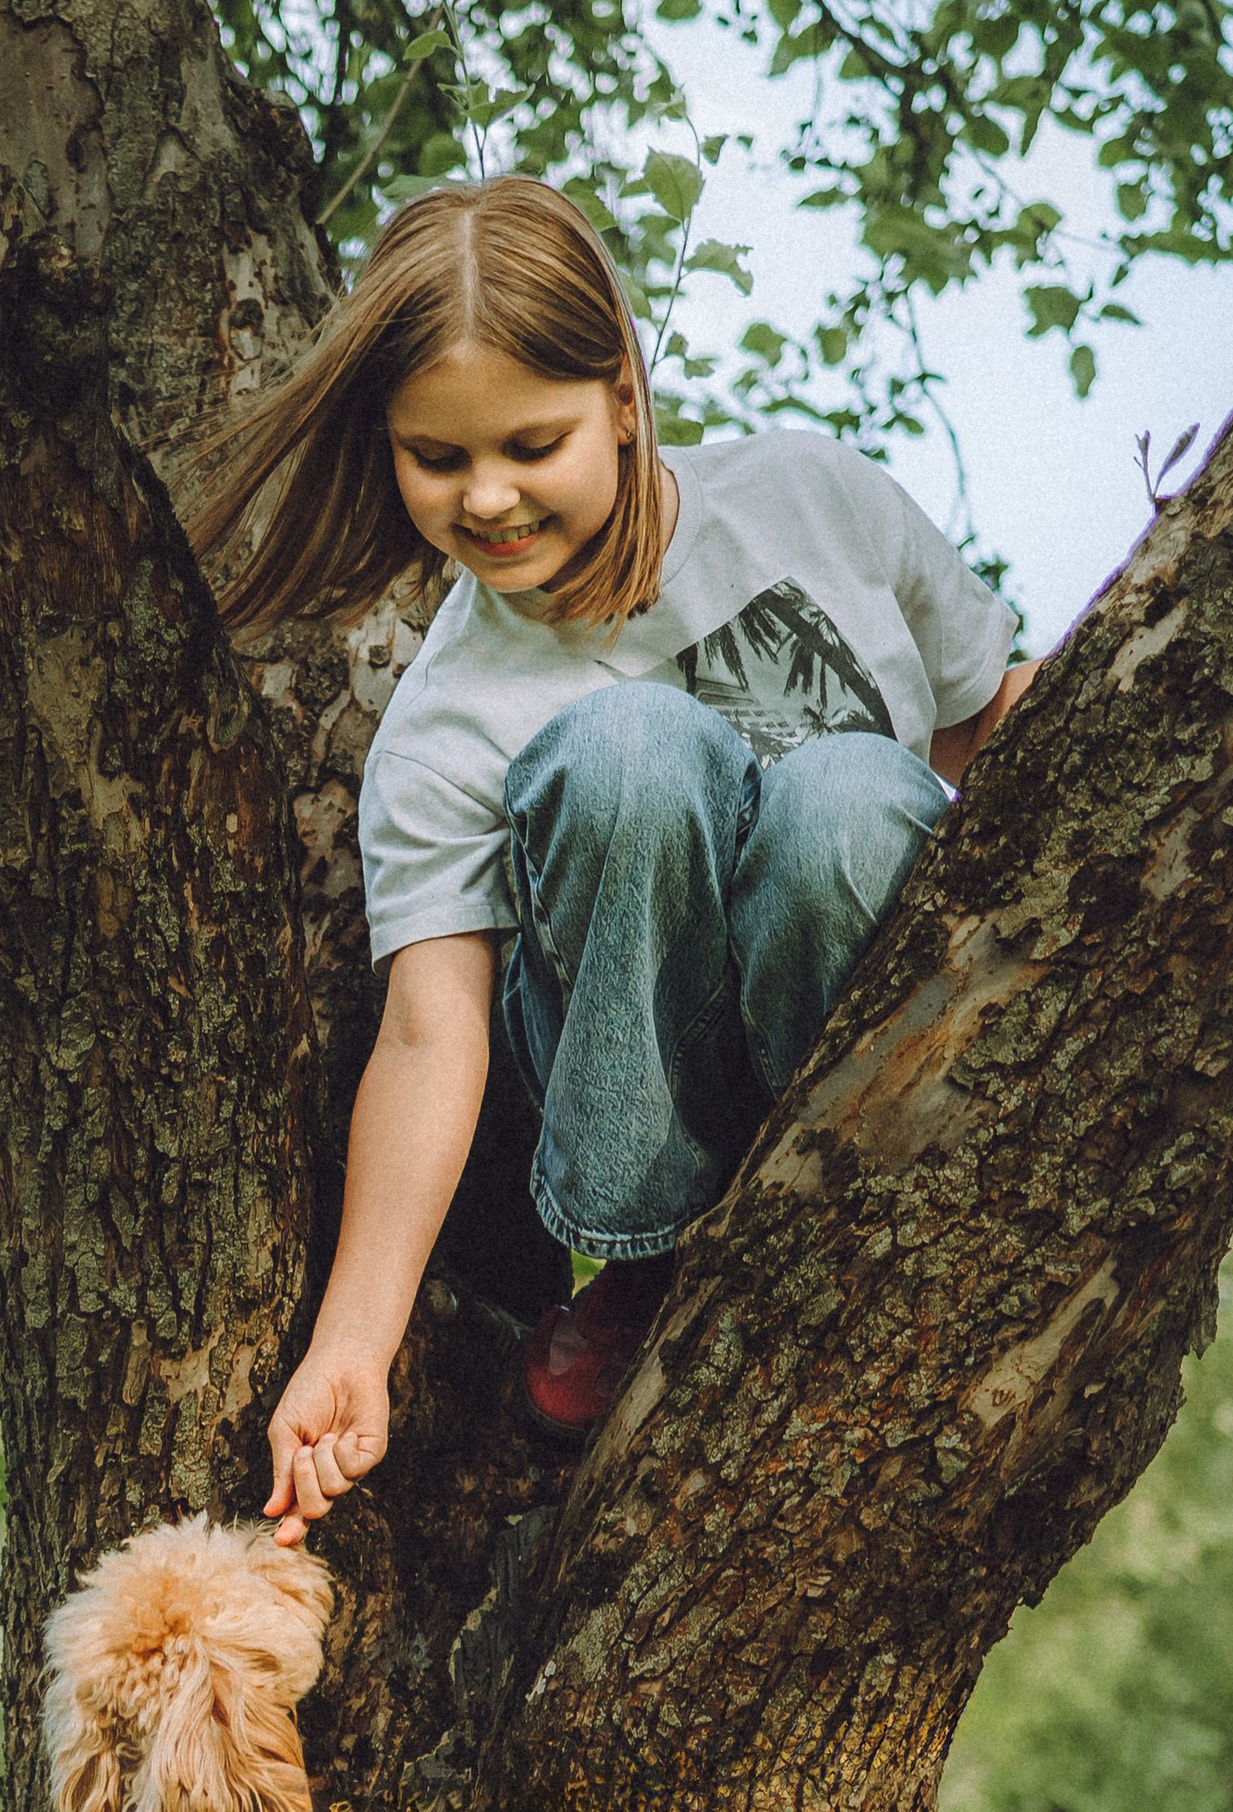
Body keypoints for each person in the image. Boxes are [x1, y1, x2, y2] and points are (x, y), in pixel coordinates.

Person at [181, 175, 1042, 1541]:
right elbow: (429, 1033)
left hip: (867, 1049)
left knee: (847, 796)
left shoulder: (814, 496)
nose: (490, 497)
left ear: (625, 395)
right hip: (655, 1119)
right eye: (439, 458)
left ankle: (881, 1173)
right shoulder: (446, 727)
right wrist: (353, 1337)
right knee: (632, 747)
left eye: (533, 442)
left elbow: (994, 721)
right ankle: (646, 1260)